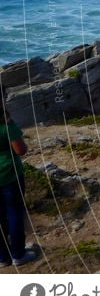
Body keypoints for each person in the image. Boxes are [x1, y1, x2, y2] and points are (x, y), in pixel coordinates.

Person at [0, 93, 35, 267]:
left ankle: (2, 258)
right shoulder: (6, 124)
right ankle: (18, 254)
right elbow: (20, 150)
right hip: (10, 175)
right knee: (14, 213)